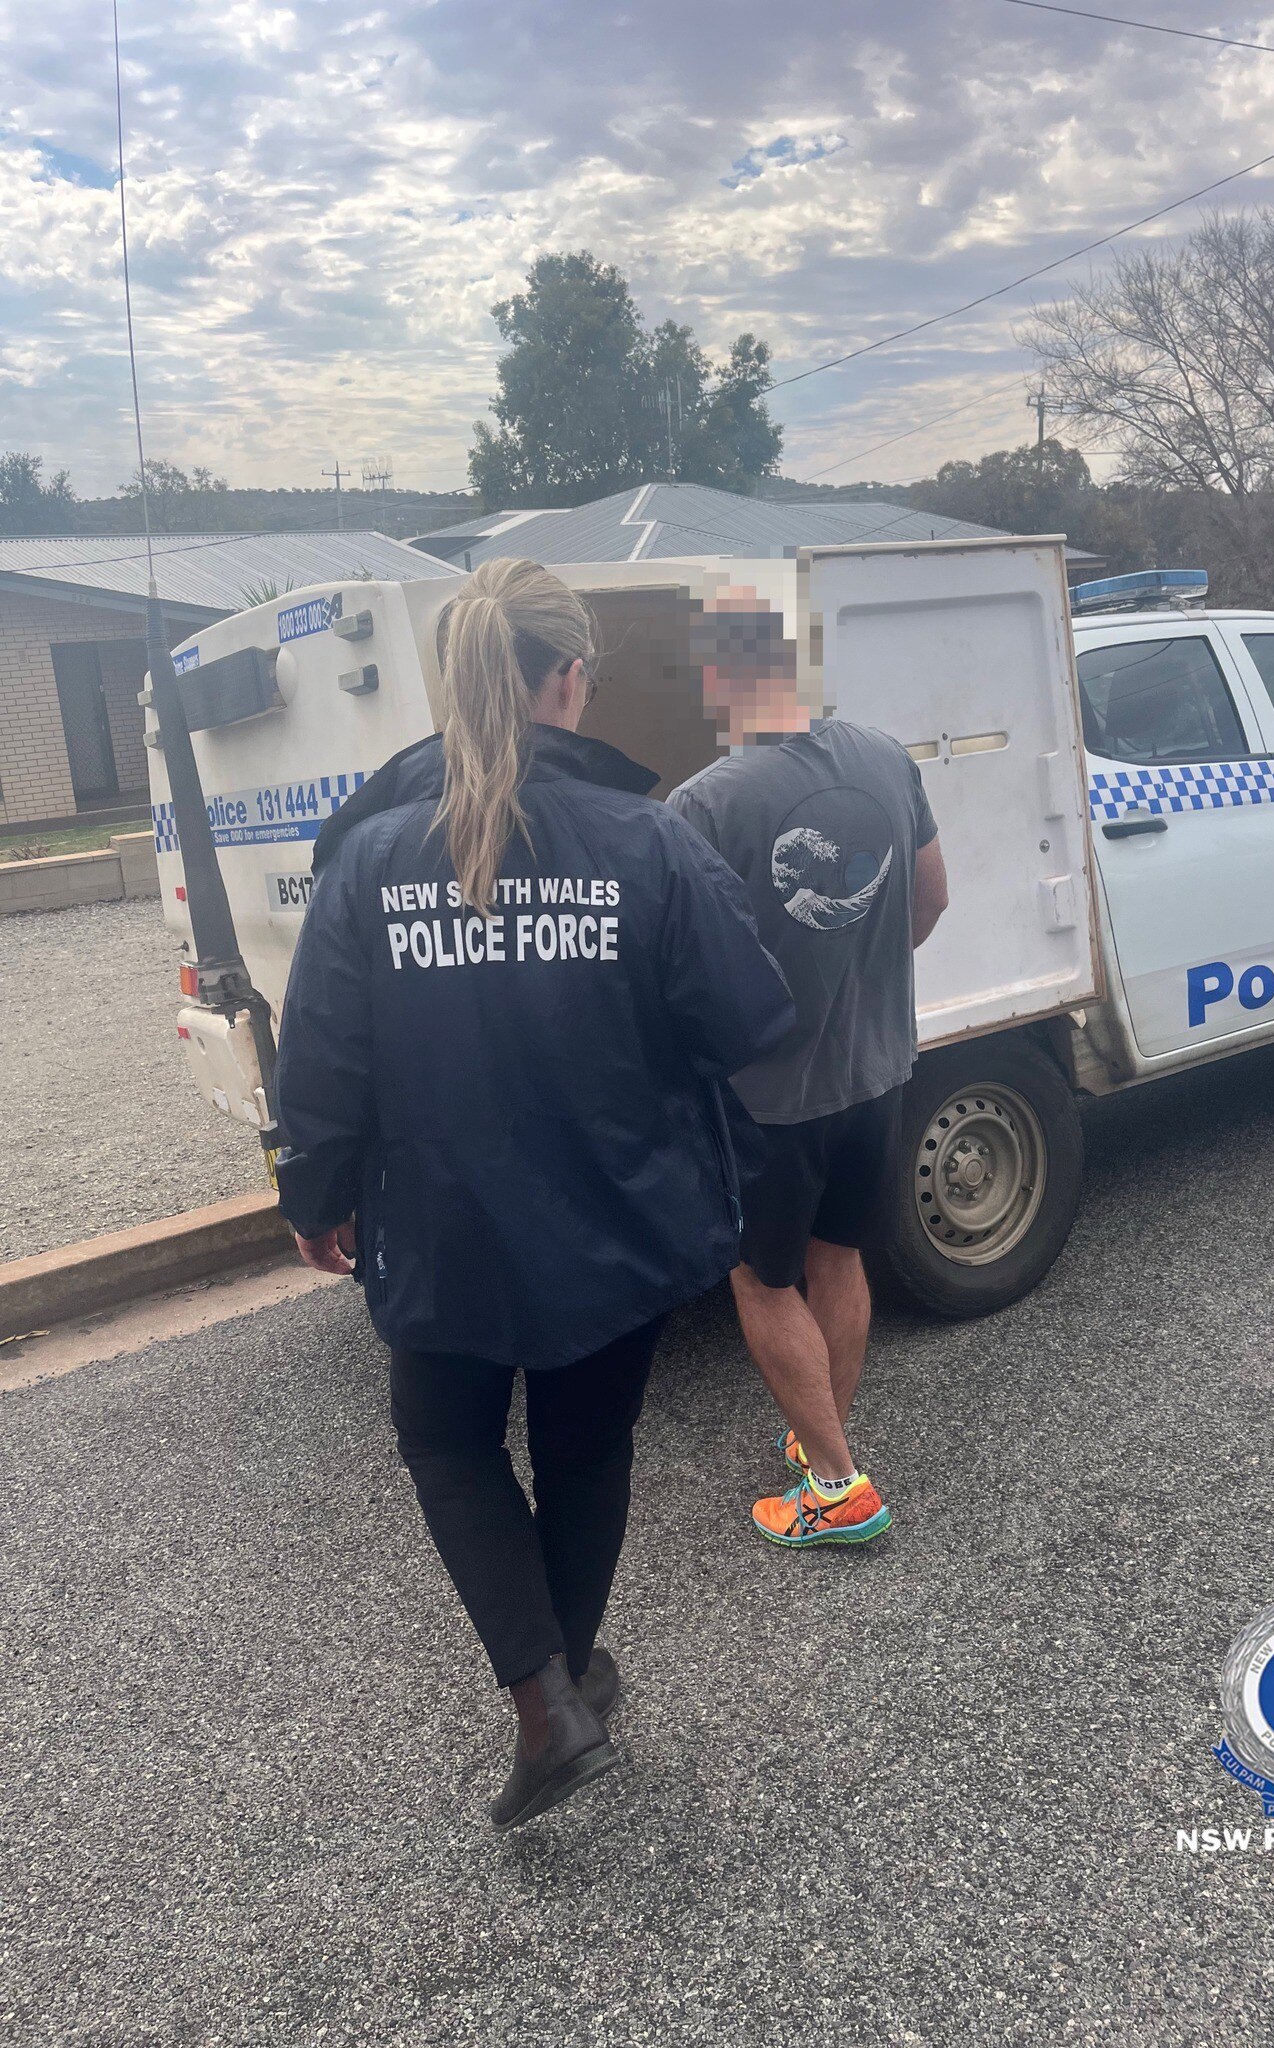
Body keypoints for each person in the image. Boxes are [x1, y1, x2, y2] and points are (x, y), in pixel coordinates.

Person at [273, 559, 792, 1828]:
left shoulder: (372, 850)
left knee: (446, 1438)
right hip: (615, 1219)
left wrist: (315, 1189)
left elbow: (321, 1051)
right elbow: (752, 1014)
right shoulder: (648, 837)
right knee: (584, 1449)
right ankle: (561, 1679)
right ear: (571, 677)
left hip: (440, 1226)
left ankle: (547, 1696)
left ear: (455, 682)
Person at [667, 592, 949, 1550]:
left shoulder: (703, 804)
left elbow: (686, 970)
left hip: (767, 1097)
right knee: (839, 1257)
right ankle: (820, 1436)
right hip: (878, 1069)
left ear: (721, 680)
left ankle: (835, 1485)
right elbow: (932, 898)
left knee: (761, 1281)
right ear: (795, 670)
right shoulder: (883, 757)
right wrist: (863, 987)